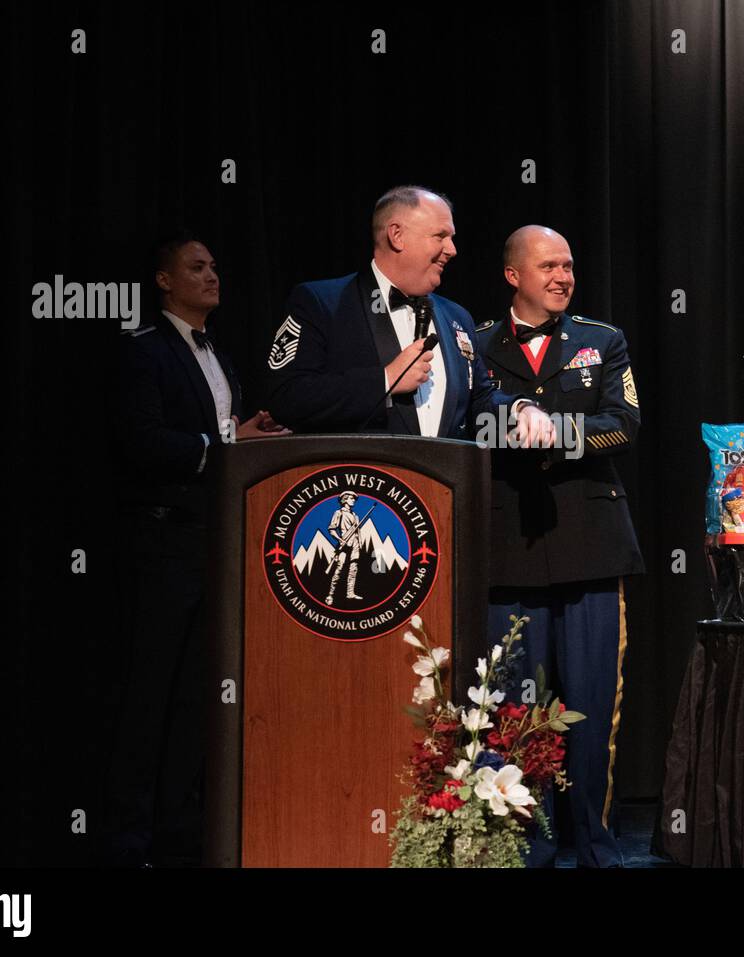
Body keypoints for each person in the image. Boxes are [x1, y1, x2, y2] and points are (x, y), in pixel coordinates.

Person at [105, 232, 287, 867]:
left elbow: (210, 433)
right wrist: (223, 451)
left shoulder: (219, 354)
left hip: (215, 546)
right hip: (161, 547)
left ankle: (183, 835)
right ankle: (128, 842)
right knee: (148, 697)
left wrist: (244, 436)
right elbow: (143, 440)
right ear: (163, 281)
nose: (213, 276)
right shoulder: (142, 350)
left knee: (195, 698)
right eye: (197, 267)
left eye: (214, 266)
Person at [476, 225, 644, 867]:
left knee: (593, 706)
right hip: (509, 545)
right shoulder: (478, 345)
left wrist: (559, 432)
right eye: (548, 265)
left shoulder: (602, 340)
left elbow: (624, 422)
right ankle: (528, 849)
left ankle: (598, 847)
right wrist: (516, 423)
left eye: (568, 265)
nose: (562, 276)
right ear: (513, 275)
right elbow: (466, 421)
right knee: (518, 708)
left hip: (591, 545)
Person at [265, 185, 554, 445]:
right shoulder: (323, 302)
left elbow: (479, 398)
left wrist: (521, 409)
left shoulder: (457, 317)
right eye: (440, 236)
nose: (452, 250)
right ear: (397, 235)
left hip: (441, 489)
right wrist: (385, 380)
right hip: (362, 492)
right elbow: (287, 397)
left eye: (451, 238)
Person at [326, 491, 364, 605]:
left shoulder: (356, 516)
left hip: (355, 544)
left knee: (353, 569)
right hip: (344, 544)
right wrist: (340, 539)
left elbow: (358, 531)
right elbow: (331, 529)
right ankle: (330, 595)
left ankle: (350, 593)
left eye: (354, 499)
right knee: (339, 568)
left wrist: (360, 543)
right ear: (345, 499)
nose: (353, 500)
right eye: (351, 498)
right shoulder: (339, 513)